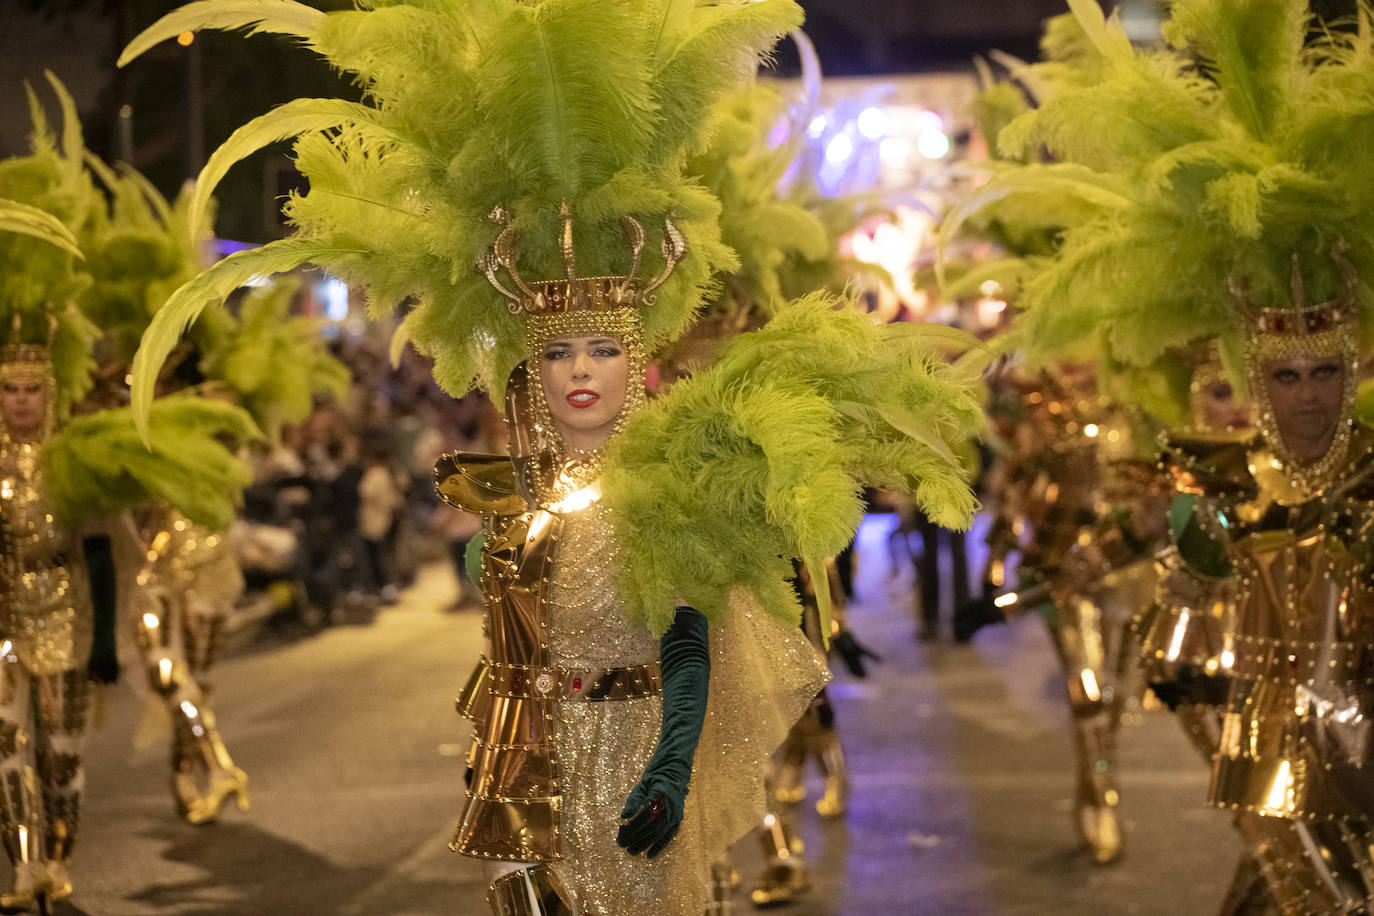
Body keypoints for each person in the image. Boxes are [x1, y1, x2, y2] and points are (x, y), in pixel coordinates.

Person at [0, 342, 117, 908]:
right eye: (10, 389)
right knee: (5, 746)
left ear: (48, 395)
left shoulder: (69, 460)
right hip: (3, 619)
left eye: (31, 390)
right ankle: (24, 869)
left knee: (60, 753)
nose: (20, 402)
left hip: (65, 613)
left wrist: (105, 640)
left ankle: (58, 860)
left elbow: (100, 551)